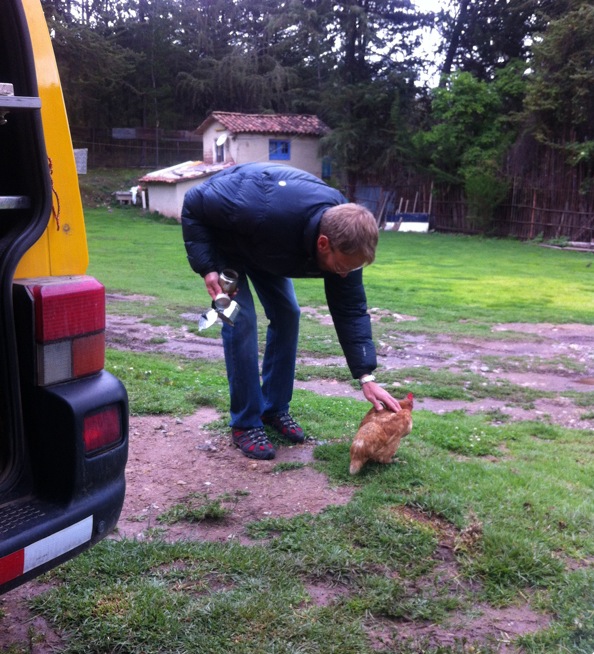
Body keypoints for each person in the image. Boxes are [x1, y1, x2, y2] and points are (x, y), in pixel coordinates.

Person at [181, 162, 401, 460]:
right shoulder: (259, 208)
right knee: (240, 319)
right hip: (231, 239)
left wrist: (366, 376)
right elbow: (194, 201)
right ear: (323, 243)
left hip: (271, 246)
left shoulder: (349, 240)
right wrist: (207, 266)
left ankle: (274, 409)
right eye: (341, 266)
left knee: (288, 313)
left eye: (351, 268)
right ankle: (245, 423)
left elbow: (350, 309)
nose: (344, 275)